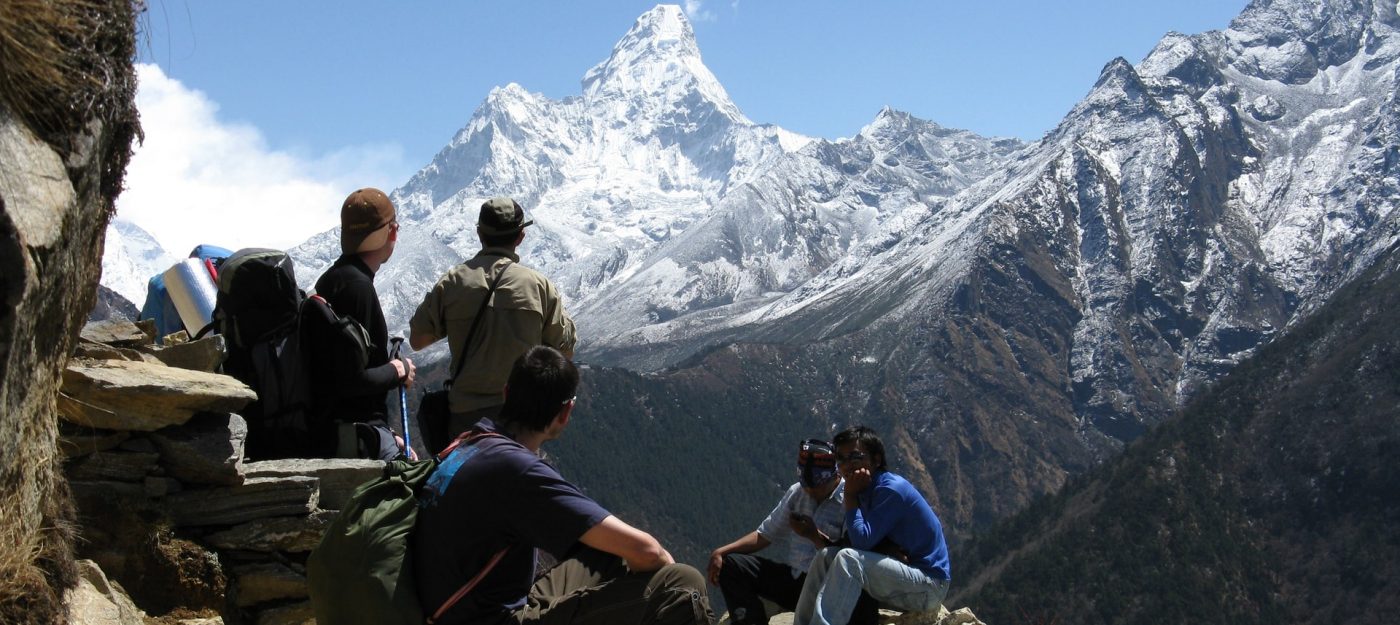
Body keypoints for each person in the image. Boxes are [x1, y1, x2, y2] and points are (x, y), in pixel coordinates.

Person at [413, 346, 712, 625]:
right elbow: (648, 552)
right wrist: (663, 569)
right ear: (565, 412)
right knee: (684, 584)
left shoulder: (471, 443)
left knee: (606, 550)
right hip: (492, 618)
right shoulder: (518, 470)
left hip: (457, 609)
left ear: (506, 393)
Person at [409, 197, 576, 439]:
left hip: (465, 419)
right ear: (520, 236)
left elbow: (417, 340)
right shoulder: (539, 286)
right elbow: (565, 350)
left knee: (465, 476)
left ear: (479, 234)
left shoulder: (453, 281)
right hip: (521, 419)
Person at [708, 440, 878, 625]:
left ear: (833, 475)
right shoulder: (798, 492)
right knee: (732, 564)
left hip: (831, 587)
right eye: (806, 485)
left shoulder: (850, 499)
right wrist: (722, 552)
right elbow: (764, 535)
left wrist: (814, 536)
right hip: (796, 580)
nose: (810, 491)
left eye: (815, 486)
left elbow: (850, 558)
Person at [794, 426, 951, 625]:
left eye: (855, 457)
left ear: (876, 460)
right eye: (840, 459)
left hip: (929, 586)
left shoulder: (891, 489)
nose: (846, 465)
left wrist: (849, 495)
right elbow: (851, 540)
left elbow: (861, 543)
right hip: (908, 578)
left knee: (848, 559)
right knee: (826, 556)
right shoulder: (864, 488)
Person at [305, 187, 416, 460]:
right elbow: (353, 380)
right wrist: (397, 370)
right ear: (391, 232)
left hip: (334, 432)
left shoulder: (332, 280)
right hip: (356, 438)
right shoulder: (358, 288)